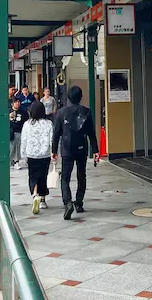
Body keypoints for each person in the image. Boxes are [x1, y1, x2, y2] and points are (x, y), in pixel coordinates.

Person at [52, 85, 99, 220]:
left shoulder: (61, 112)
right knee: (81, 175)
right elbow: (91, 133)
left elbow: (56, 134)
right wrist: (95, 150)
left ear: (68, 97)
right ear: (80, 97)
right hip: (81, 148)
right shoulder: (86, 112)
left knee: (65, 177)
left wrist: (53, 151)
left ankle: (67, 203)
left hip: (66, 148)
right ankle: (78, 203)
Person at [20, 101, 54, 214]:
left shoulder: (27, 124)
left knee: (33, 175)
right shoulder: (48, 123)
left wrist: (23, 155)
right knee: (43, 176)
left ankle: (35, 195)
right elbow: (52, 140)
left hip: (31, 155)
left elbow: (23, 140)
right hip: (44, 155)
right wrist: (53, 152)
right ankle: (43, 199)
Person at [9, 98, 28, 170]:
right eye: (16, 102)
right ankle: (11, 161)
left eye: (18, 102)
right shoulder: (9, 111)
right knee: (11, 147)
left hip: (19, 131)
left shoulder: (23, 112)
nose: (17, 103)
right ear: (12, 104)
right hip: (10, 131)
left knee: (17, 147)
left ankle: (16, 161)